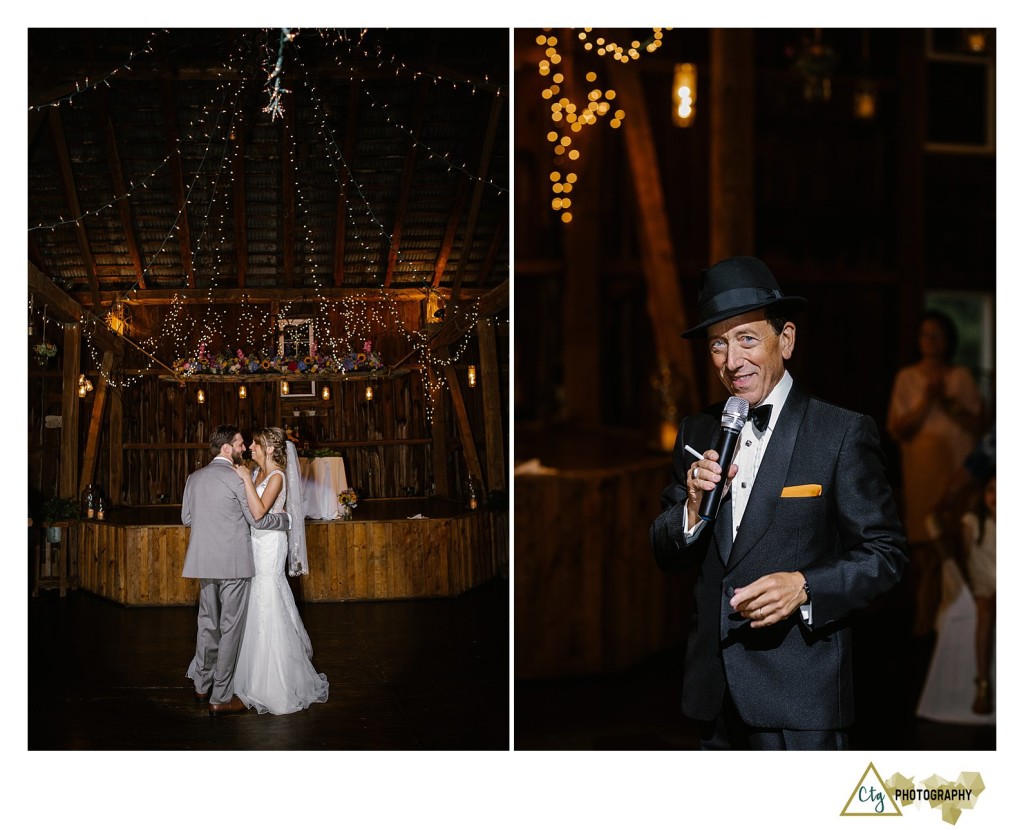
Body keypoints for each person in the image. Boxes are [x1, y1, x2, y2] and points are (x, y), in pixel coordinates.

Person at [649, 256, 907, 750]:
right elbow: (666, 553)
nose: (731, 360)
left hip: (800, 701)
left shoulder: (840, 433)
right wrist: (691, 509)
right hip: (712, 699)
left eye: (747, 338)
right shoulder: (698, 431)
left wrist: (806, 586)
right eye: (718, 344)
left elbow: (886, 554)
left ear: (785, 340)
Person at [182, 424, 291, 716]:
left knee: (207, 622)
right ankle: (220, 695)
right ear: (227, 448)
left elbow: (187, 518)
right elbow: (256, 520)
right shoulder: (236, 478)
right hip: (234, 563)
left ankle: (201, 685)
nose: (244, 448)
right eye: (241, 444)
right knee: (230, 628)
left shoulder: (193, 478)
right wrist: (284, 522)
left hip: (204, 562)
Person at [886, 310, 982, 637]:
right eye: (925, 335)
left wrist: (949, 402)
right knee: (926, 550)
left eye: (936, 334)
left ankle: (965, 622)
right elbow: (899, 428)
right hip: (922, 472)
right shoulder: (908, 378)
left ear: (948, 339)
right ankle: (924, 624)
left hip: (959, 469)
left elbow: (981, 426)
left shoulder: (962, 377)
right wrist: (928, 399)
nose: (930, 341)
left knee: (961, 545)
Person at [230, 427, 329, 714]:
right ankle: (253, 674)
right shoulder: (258, 473)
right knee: (256, 599)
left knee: (267, 596)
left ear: (270, 449)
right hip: (254, 544)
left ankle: (273, 683)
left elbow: (260, 512)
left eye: (256, 444)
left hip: (270, 545)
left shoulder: (276, 477)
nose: (250, 447)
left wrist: (246, 479)